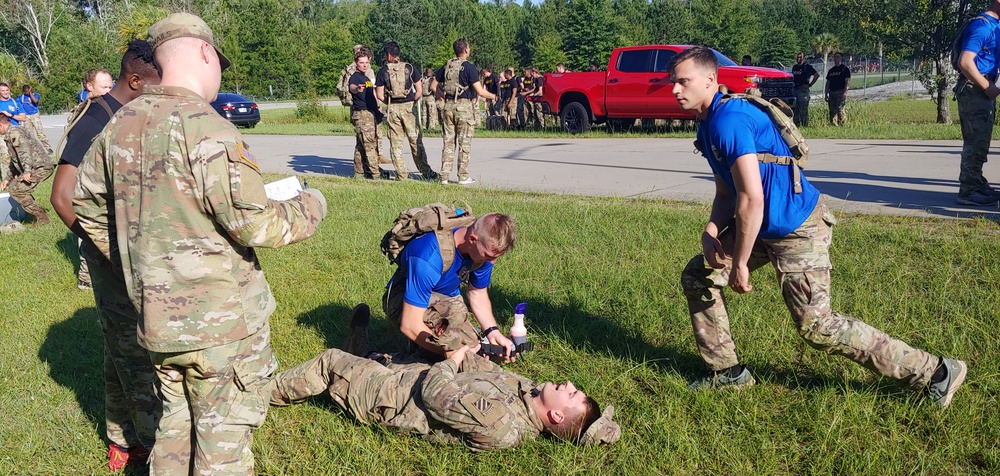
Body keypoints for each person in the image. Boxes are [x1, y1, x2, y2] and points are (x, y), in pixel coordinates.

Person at [73, 12, 328, 474]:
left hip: (157, 322)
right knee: (223, 447)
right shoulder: (207, 129)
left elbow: (84, 203)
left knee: (173, 433)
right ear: (206, 53)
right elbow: (258, 225)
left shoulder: (121, 123)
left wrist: (139, 261)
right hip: (221, 330)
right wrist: (312, 204)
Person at [668, 46, 967, 409]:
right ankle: (728, 374)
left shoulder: (728, 120)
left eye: (683, 81)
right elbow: (727, 195)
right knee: (698, 276)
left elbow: (751, 199)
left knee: (818, 327)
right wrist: (711, 231)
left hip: (797, 228)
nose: (675, 90)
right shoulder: (708, 126)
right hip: (763, 227)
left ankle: (936, 372)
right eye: (673, 82)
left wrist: (741, 262)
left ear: (710, 80)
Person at [51, 39, 162, 470]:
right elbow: (62, 196)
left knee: (120, 350)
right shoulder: (95, 119)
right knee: (136, 355)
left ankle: (120, 437)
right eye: (154, 84)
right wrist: (106, 249)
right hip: (112, 257)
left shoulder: (127, 115)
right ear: (134, 80)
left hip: (127, 252)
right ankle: (152, 445)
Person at [269, 340, 620, 451]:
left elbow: (437, 394)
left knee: (330, 361)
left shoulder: (502, 424)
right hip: (412, 378)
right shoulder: (529, 392)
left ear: (557, 416)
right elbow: (486, 371)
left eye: (572, 395)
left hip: (395, 398)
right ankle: (361, 348)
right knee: (381, 356)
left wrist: (450, 361)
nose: (569, 386)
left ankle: (257, 395)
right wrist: (469, 347)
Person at [382, 212, 518, 371]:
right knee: (462, 358)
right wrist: (450, 353)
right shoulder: (429, 255)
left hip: (446, 301)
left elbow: (477, 293)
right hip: (404, 300)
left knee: (474, 349)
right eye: (489, 256)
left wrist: (493, 332)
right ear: (473, 239)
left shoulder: (485, 250)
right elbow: (410, 324)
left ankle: (429, 350)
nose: (492, 261)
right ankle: (381, 360)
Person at [429, 39, 497, 185]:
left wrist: (443, 96)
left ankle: (444, 176)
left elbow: (433, 85)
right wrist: (494, 96)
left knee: (448, 142)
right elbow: (480, 91)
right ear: (466, 50)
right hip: (463, 108)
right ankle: (463, 176)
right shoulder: (469, 67)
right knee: (464, 142)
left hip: (448, 106)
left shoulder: (447, 66)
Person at [954, 0, 1000, 206]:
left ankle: (977, 182)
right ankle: (968, 190)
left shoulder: (994, 26)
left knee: (981, 141)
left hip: (981, 89)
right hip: (974, 90)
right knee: (975, 143)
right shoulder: (982, 26)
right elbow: (964, 62)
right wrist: (986, 86)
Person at [375, 42, 437, 181]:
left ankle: (401, 175)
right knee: (416, 141)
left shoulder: (383, 71)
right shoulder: (410, 68)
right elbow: (419, 91)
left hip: (393, 109)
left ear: (389, 55)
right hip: (409, 108)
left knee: (396, 144)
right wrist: (411, 101)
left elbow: (379, 95)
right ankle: (426, 172)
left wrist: (390, 103)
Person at [0, 113, 53, 225]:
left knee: (17, 191)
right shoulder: (13, 132)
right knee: (14, 187)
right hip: (34, 166)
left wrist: (27, 171)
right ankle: (33, 213)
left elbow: (24, 152)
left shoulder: (14, 133)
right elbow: (15, 160)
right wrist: (7, 178)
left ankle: (43, 219)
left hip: (40, 167)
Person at [349, 48, 383, 180]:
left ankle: (359, 173)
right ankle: (375, 174)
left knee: (361, 146)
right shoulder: (355, 77)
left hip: (370, 113)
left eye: (366, 63)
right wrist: (357, 88)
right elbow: (352, 87)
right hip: (362, 114)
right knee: (370, 145)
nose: (364, 65)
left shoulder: (366, 77)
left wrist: (377, 108)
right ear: (356, 63)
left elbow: (372, 95)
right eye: (361, 62)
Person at [0, 82, 28, 177]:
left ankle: (21, 175)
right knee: (6, 156)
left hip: (15, 132)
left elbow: (23, 117)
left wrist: (10, 115)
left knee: (18, 154)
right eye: (3, 90)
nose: (5, 92)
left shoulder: (15, 103)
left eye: (7, 90)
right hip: (3, 133)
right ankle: (6, 179)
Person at [17, 85, 51, 152]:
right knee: (29, 134)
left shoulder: (36, 95)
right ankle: (33, 149)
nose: (27, 92)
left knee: (40, 132)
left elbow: (35, 101)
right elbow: (18, 108)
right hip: (26, 116)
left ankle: (47, 147)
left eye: (28, 91)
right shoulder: (20, 98)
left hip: (34, 115)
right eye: (26, 91)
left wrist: (30, 93)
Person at [790, 52, 819, 127]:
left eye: (800, 57)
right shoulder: (795, 67)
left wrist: (810, 85)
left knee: (803, 109)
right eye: (797, 57)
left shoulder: (807, 67)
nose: (798, 59)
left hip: (803, 91)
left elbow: (816, 75)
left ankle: (805, 124)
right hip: (795, 90)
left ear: (804, 58)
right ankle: (796, 124)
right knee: (795, 109)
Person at [824, 52, 850, 126]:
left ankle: (842, 124)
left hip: (840, 92)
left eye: (838, 57)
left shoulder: (844, 69)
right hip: (832, 92)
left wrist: (845, 93)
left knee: (840, 109)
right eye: (835, 57)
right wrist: (826, 93)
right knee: (832, 110)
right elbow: (828, 82)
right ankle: (833, 125)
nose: (836, 58)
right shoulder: (831, 70)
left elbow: (847, 82)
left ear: (841, 58)